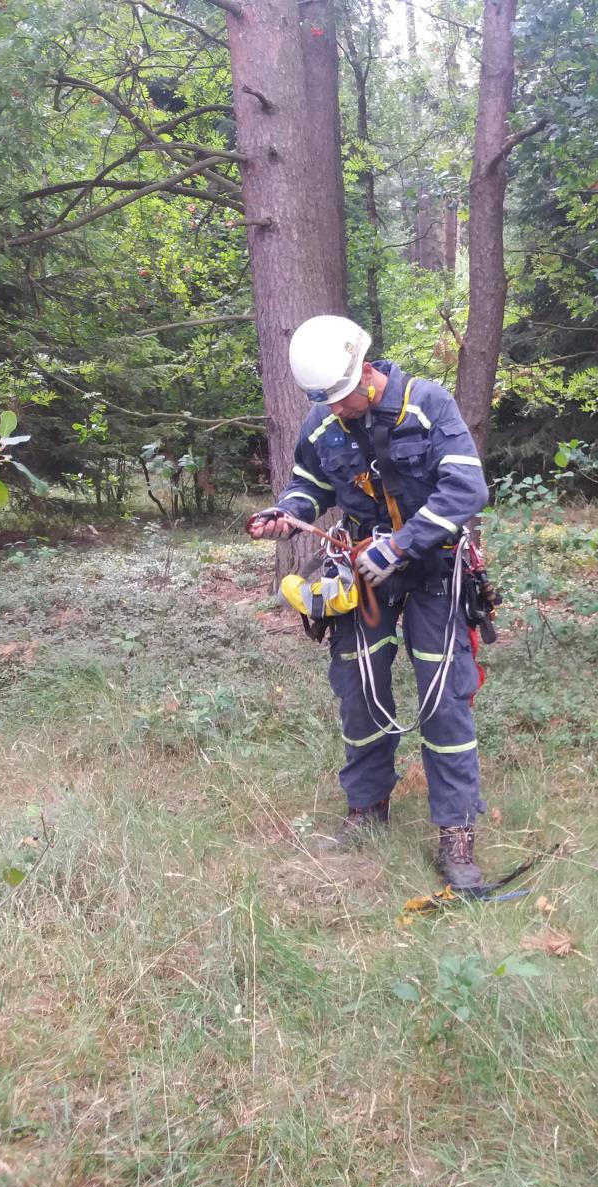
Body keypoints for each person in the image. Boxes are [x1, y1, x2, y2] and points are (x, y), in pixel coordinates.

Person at [247, 314, 491, 891]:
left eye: (341, 398)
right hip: (363, 574)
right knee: (358, 691)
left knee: (443, 698)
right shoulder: (322, 420)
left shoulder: (428, 404)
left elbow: (467, 488)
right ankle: (367, 809)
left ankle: (456, 830)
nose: (335, 410)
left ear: (366, 373)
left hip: (434, 568)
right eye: (325, 402)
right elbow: (310, 484)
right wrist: (289, 514)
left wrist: (403, 545)